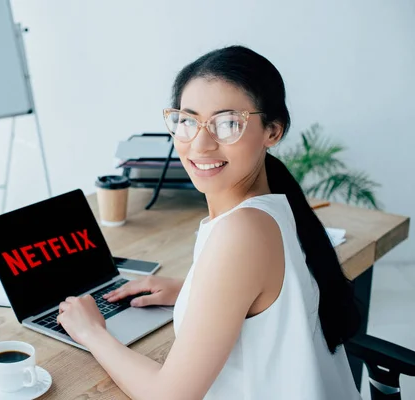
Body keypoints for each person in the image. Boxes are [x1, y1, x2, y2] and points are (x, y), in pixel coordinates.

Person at [57, 45, 362, 399]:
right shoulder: (269, 207)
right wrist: (192, 291)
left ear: (272, 131)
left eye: (228, 123)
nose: (200, 144)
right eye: (187, 121)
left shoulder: (242, 231)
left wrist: (92, 332)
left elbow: (169, 396)